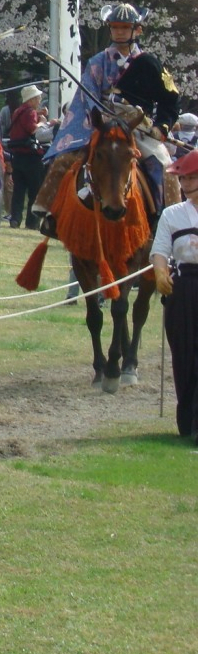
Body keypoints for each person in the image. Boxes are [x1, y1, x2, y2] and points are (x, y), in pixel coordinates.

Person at [35, 3, 180, 235]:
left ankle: (167, 222)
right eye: (115, 27)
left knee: (165, 166)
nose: (120, 32)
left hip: (137, 127)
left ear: (138, 30)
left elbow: (170, 100)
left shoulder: (150, 64)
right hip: (100, 123)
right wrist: (98, 118)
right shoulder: (96, 62)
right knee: (65, 158)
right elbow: (88, 95)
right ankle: (50, 211)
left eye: (125, 27)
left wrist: (161, 128)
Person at [150, 150, 198, 443]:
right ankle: (187, 419)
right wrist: (159, 273)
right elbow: (160, 251)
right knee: (184, 352)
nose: (186, 182)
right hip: (184, 286)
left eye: (191, 177)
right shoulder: (172, 214)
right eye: (184, 177)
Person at [7, 84, 48, 228]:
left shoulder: (18, 111)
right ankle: (32, 222)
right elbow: (32, 130)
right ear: (32, 99)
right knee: (34, 190)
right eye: (38, 98)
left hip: (17, 156)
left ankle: (15, 218)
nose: (39, 99)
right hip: (31, 156)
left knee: (19, 190)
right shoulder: (30, 112)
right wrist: (43, 123)